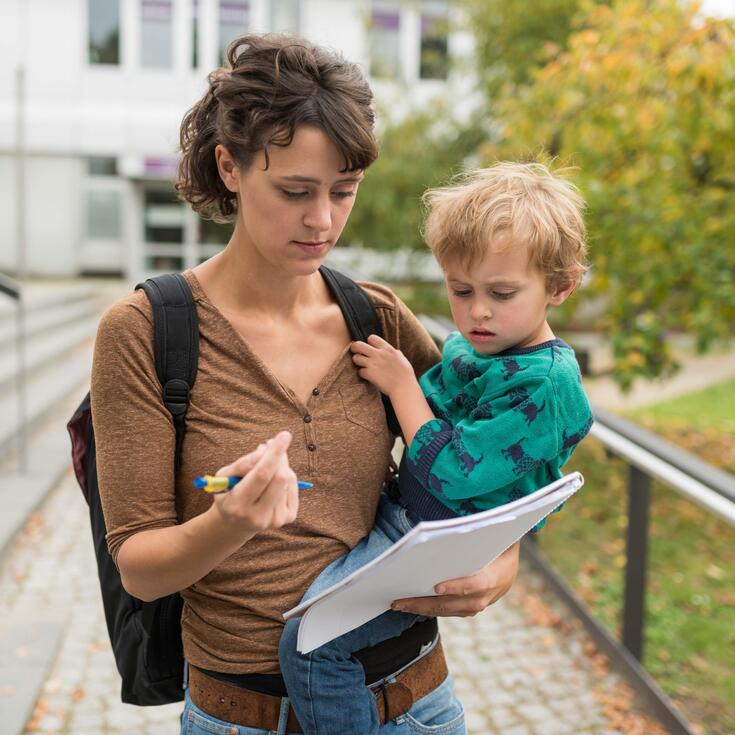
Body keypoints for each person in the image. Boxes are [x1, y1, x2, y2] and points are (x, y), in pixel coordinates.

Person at [90, 34, 521, 735]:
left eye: (342, 191)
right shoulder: (144, 331)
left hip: (420, 706)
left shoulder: (374, 317)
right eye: (294, 191)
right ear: (228, 167)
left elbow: (497, 458)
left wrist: (501, 564)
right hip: (247, 717)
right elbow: (139, 568)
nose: (322, 220)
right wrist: (226, 520)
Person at [279, 162, 595, 734]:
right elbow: (416, 416)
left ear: (560, 286)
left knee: (311, 642)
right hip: (410, 520)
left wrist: (401, 384)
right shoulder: (481, 351)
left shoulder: (542, 383)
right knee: (311, 628)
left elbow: (453, 469)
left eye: (502, 293)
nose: (477, 311)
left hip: (439, 538)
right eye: (459, 289)